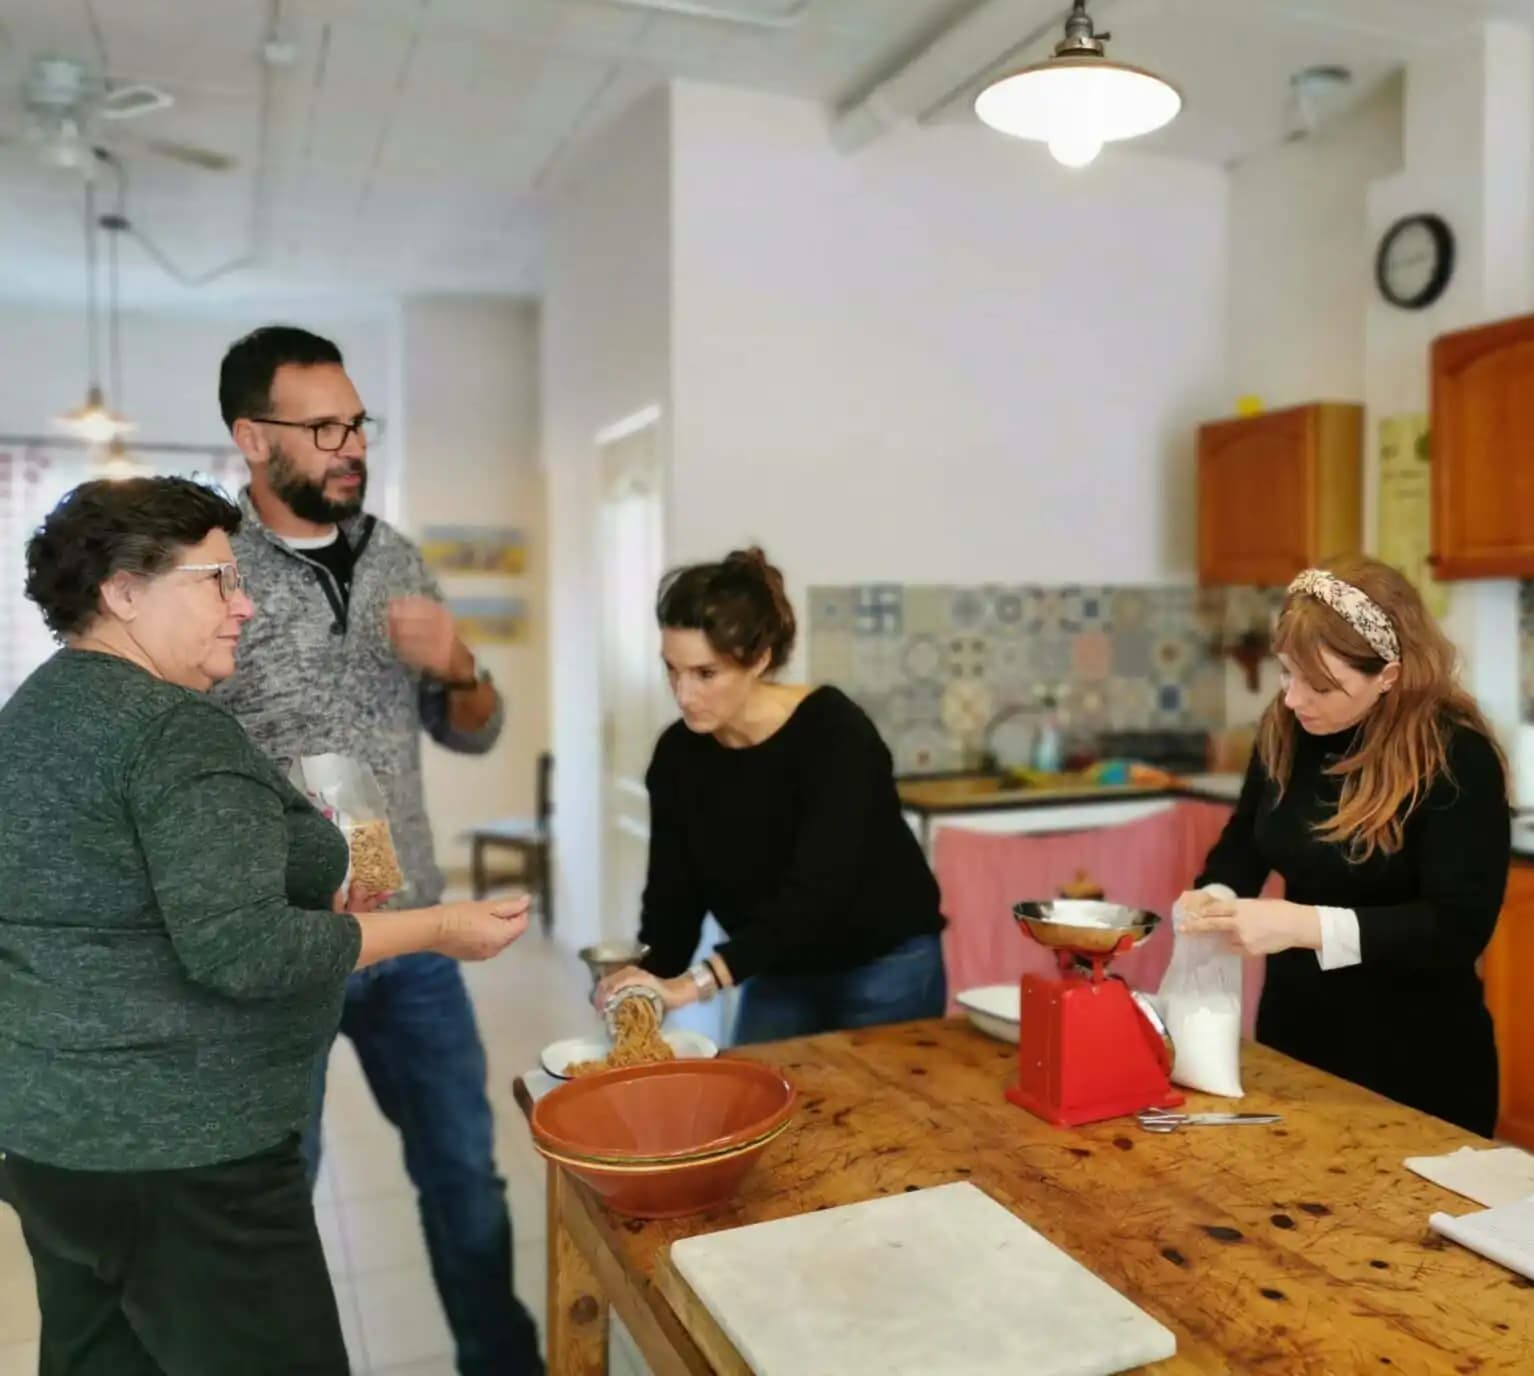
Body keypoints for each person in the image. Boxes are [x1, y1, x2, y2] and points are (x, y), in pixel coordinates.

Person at [0, 478, 529, 1376]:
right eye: (217, 580)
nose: (244, 605)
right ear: (122, 592)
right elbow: (245, 953)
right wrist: (438, 926)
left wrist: (297, 897)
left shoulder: (33, 715)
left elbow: (109, 901)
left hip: (53, 1146)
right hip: (186, 1159)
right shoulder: (175, 731)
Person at [207, 327, 543, 1374]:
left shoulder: (397, 553)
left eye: (358, 422)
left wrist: (461, 663)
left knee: (465, 1180)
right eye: (325, 427)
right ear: (253, 440)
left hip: (420, 940)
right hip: (288, 950)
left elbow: (475, 728)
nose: (352, 445)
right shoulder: (207, 569)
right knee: (276, 1194)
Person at [1178, 556, 1510, 1135]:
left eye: (1321, 685)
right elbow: (1246, 841)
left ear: (1389, 674)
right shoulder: (1287, 729)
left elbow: (1456, 930)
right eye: (1287, 673)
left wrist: (1304, 927)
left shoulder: (1456, 758)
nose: (1293, 698)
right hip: (1294, 1041)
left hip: (1416, 1064)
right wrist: (1215, 893)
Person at [595, 548, 947, 1044]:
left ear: (759, 659)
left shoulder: (835, 734)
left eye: (705, 673)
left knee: (885, 1117)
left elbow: (818, 891)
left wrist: (699, 983)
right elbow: (672, 897)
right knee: (760, 1111)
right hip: (777, 967)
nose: (683, 694)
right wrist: (646, 983)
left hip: (885, 965)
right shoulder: (678, 756)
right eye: (672, 669)